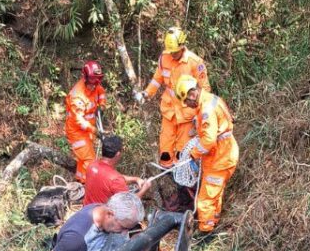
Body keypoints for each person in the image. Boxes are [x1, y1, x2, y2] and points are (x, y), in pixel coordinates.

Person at [135, 27, 210, 164]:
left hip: (187, 114)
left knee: (183, 151)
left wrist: (200, 114)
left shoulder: (195, 62)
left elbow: (205, 89)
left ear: (182, 46)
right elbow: (157, 80)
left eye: (175, 52)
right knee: (165, 149)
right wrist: (146, 94)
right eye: (171, 52)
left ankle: (181, 179)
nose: (173, 55)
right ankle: (166, 174)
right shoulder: (164, 58)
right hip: (169, 111)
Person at [176, 75, 238, 235]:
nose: (187, 105)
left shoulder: (206, 109)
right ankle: (213, 221)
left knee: (204, 200)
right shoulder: (210, 100)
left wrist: (193, 155)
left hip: (220, 158)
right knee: (215, 194)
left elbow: (209, 141)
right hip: (223, 155)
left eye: (187, 101)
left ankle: (206, 232)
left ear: (192, 94)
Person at [65, 60, 106, 183]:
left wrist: (102, 105)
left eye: (96, 83)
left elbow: (101, 92)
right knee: (90, 162)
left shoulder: (95, 83)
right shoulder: (77, 96)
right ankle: (91, 186)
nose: (94, 86)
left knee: (83, 161)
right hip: (77, 133)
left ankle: (80, 182)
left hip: (88, 131)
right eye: (92, 83)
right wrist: (95, 130)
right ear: (86, 78)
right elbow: (79, 120)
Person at [83, 135, 152, 205]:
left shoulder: (92, 165)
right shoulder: (115, 179)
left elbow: (109, 178)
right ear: (118, 154)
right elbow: (129, 204)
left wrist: (136, 179)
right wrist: (144, 189)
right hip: (102, 214)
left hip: (86, 210)